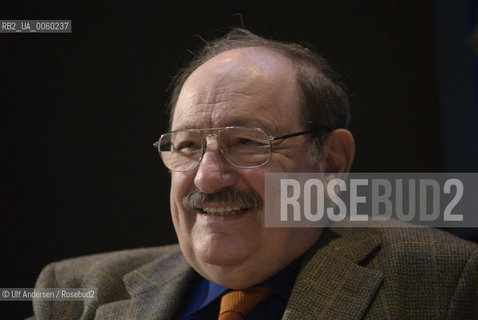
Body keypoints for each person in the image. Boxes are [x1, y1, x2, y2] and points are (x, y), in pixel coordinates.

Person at [28, 29, 477, 320]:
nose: (207, 178)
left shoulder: (440, 282)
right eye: (187, 146)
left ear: (332, 162)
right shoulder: (76, 293)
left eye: (246, 143)